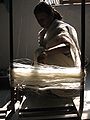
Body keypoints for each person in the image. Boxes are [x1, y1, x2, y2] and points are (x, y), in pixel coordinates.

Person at [34, 2, 81, 67]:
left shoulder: (61, 28)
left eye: (42, 19)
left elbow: (67, 47)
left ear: (51, 16)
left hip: (69, 65)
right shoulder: (43, 33)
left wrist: (47, 53)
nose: (40, 23)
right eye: (38, 20)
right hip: (58, 63)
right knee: (39, 51)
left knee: (40, 52)